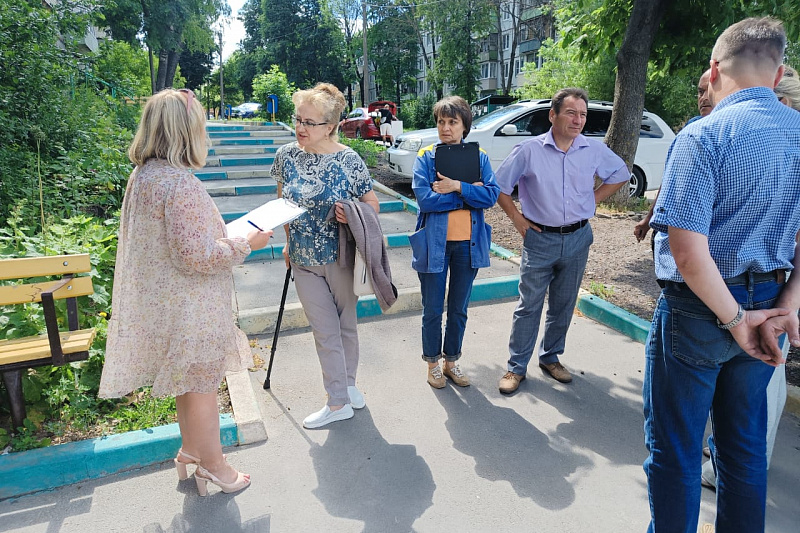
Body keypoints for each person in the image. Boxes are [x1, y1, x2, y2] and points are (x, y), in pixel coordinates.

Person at [643, 17, 800, 532]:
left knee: (677, 452)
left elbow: (688, 252)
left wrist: (735, 318)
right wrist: (786, 308)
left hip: (699, 311)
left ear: (714, 70)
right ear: (777, 75)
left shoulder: (704, 134)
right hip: (772, 300)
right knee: (745, 452)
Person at [98, 89, 272, 496]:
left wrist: (223, 237)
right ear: (185, 132)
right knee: (203, 388)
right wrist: (247, 243)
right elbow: (196, 254)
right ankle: (215, 465)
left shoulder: (143, 176)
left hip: (166, 304)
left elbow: (171, 243)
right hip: (192, 305)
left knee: (187, 383)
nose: (205, 135)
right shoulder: (180, 183)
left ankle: (190, 452)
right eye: (200, 127)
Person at [700, 64, 800, 492]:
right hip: (772, 296)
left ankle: (731, 468)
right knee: (740, 402)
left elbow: (688, 253)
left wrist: (749, 316)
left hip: (771, 297)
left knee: (757, 407)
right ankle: (725, 457)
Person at [494, 87, 630, 394]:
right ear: (552, 115)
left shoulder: (592, 149)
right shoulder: (529, 150)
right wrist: (517, 218)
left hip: (579, 238)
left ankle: (551, 357)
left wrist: (594, 200)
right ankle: (516, 367)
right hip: (540, 239)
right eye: (571, 113)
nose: (578, 120)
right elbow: (499, 186)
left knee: (563, 303)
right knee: (529, 305)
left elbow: (620, 173)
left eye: (582, 114)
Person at [271, 83, 381, 429]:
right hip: (304, 259)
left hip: (343, 257)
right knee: (325, 330)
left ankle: (347, 386)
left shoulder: (349, 160)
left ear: (331, 125)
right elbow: (282, 205)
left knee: (346, 326)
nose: (301, 128)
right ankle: (337, 402)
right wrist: (288, 243)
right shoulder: (286, 156)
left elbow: (372, 206)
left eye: (310, 122)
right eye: (298, 120)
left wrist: (353, 216)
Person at [410, 96, 500, 388]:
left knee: (459, 308)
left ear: (464, 126)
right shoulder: (426, 157)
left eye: (452, 122)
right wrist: (464, 195)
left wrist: (455, 186)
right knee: (433, 308)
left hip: (467, 245)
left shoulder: (479, 158)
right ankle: (432, 365)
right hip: (433, 245)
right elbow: (425, 200)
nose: (445, 128)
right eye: (441, 122)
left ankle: (452, 362)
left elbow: (491, 196)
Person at [634, 69, 711, 244]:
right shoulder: (692, 127)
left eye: (709, 90)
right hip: (674, 231)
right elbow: (670, 178)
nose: (703, 98)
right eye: (700, 92)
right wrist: (649, 218)